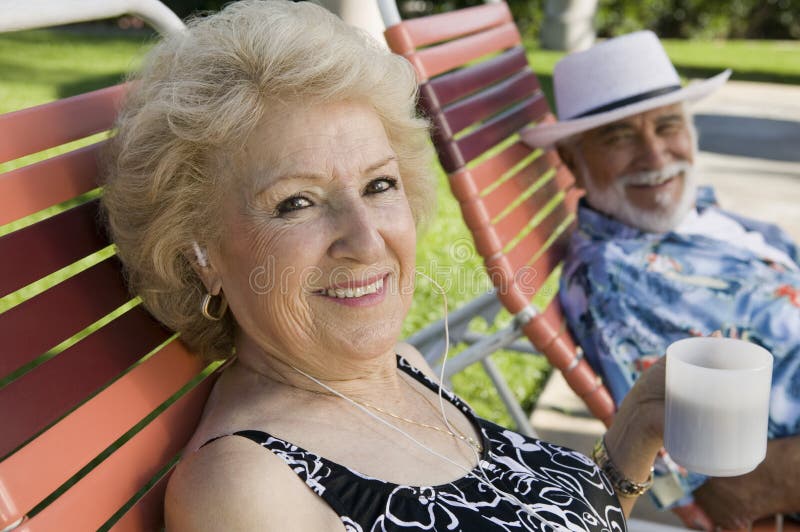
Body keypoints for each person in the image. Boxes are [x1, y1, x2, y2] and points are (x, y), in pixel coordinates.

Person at [102, 2, 672, 530]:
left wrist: (636, 431)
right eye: (296, 202)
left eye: (379, 185)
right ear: (200, 254)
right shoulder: (249, 489)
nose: (367, 241)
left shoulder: (400, 366)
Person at [522, 30, 800, 529]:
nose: (654, 156)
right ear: (571, 162)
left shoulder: (701, 220)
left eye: (667, 125)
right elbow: (720, 486)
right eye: (620, 137)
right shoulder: (620, 279)